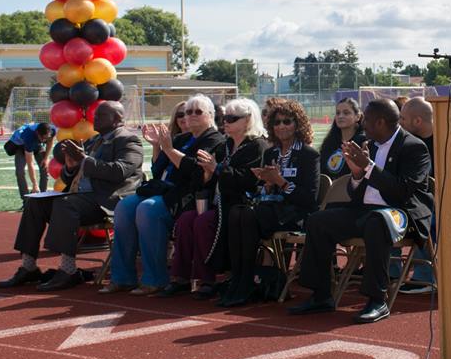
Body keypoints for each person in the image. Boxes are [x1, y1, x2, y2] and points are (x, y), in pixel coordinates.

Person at [289, 98, 433, 324]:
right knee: (318, 220)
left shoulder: (413, 147)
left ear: (381, 123)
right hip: (366, 210)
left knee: (377, 221)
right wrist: (357, 174)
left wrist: (368, 167)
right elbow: (357, 194)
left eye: (367, 121)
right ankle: (321, 295)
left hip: (402, 213)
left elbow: (402, 192)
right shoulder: (370, 145)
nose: (363, 126)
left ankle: (378, 300)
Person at [0, 102, 143, 291]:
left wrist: (84, 160)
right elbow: (68, 176)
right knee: (34, 203)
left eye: (101, 115)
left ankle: (68, 270)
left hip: (106, 200)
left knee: (66, 204)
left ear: (117, 119)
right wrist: (71, 166)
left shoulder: (128, 140)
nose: (94, 118)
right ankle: (28, 266)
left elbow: (119, 172)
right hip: (81, 196)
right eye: (95, 115)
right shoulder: (92, 140)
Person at [101, 94, 224, 296]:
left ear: (210, 115)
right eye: (187, 112)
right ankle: (122, 278)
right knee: (124, 207)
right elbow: (158, 171)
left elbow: (195, 172)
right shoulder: (182, 138)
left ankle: (155, 278)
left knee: (147, 209)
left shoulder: (214, 139)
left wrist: (169, 149)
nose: (190, 115)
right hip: (163, 190)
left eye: (197, 112)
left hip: (188, 197)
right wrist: (159, 146)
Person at [219, 99, 320, 307]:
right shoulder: (270, 152)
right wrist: (265, 184)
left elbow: (309, 198)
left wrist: (281, 183)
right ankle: (238, 278)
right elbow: (266, 189)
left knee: (245, 215)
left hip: (296, 214)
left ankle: (245, 281)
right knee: (237, 212)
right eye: (277, 122)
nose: (281, 126)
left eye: (287, 121)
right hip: (272, 209)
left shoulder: (308, 155)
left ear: (298, 124)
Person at [166, 98, 268, 300]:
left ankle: (208, 279)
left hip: (241, 204)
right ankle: (182, 277)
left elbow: (248, 180)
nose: (226, 122)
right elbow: (206, 178)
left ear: (248, 120)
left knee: (204, 221)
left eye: (232, 118)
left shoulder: (257, 146)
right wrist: (207, 175)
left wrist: (216, 169)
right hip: (218, 201)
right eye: (225, 118)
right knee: (186, 219)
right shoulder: (226, 144)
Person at [395, 96, 436, 294]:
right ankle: (392, 272)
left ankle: (424, 277)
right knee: (384, 215)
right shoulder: (406, 144)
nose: (399, 123)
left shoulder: (446, 140)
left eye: (402, 119)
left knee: (423, 217)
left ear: (417, 121)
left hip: (441, 206)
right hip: (412, 201)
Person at [5, 121, 55, 204]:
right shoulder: (28, 136)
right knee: (20, 171)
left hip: (36, 145)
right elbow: (30, 163)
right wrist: (34, 184)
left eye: (46, 138)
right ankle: (26, 200)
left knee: (45, 167)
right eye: (43, 138)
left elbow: (50, 142)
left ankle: (43, 197)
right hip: (21, 146)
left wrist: (46, 158)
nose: (44, 140)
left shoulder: (51, 131)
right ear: (37, 133)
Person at [318, 97, 366, 180]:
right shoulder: (329, 143)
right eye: (338, 113)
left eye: (346, 113)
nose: (340, 116)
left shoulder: (363, 142)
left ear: (357, 117)